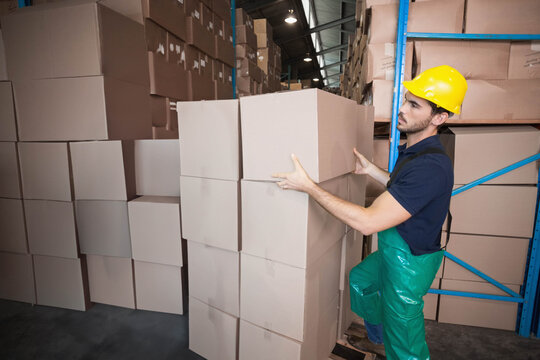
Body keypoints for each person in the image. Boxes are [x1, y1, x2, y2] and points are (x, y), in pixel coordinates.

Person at [272, 65, 467, 360]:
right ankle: (378, 337)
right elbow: (403, 190)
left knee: (406, 349)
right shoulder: (416, 151)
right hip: (393, 253)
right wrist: (371, 170)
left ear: (439, 117)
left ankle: (392, 342)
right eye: (405, 100)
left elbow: (367, 222)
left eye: (414, 105)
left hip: (408, 266)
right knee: (360, 281)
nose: (402, 109)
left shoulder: (430, 166)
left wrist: (309, 187)